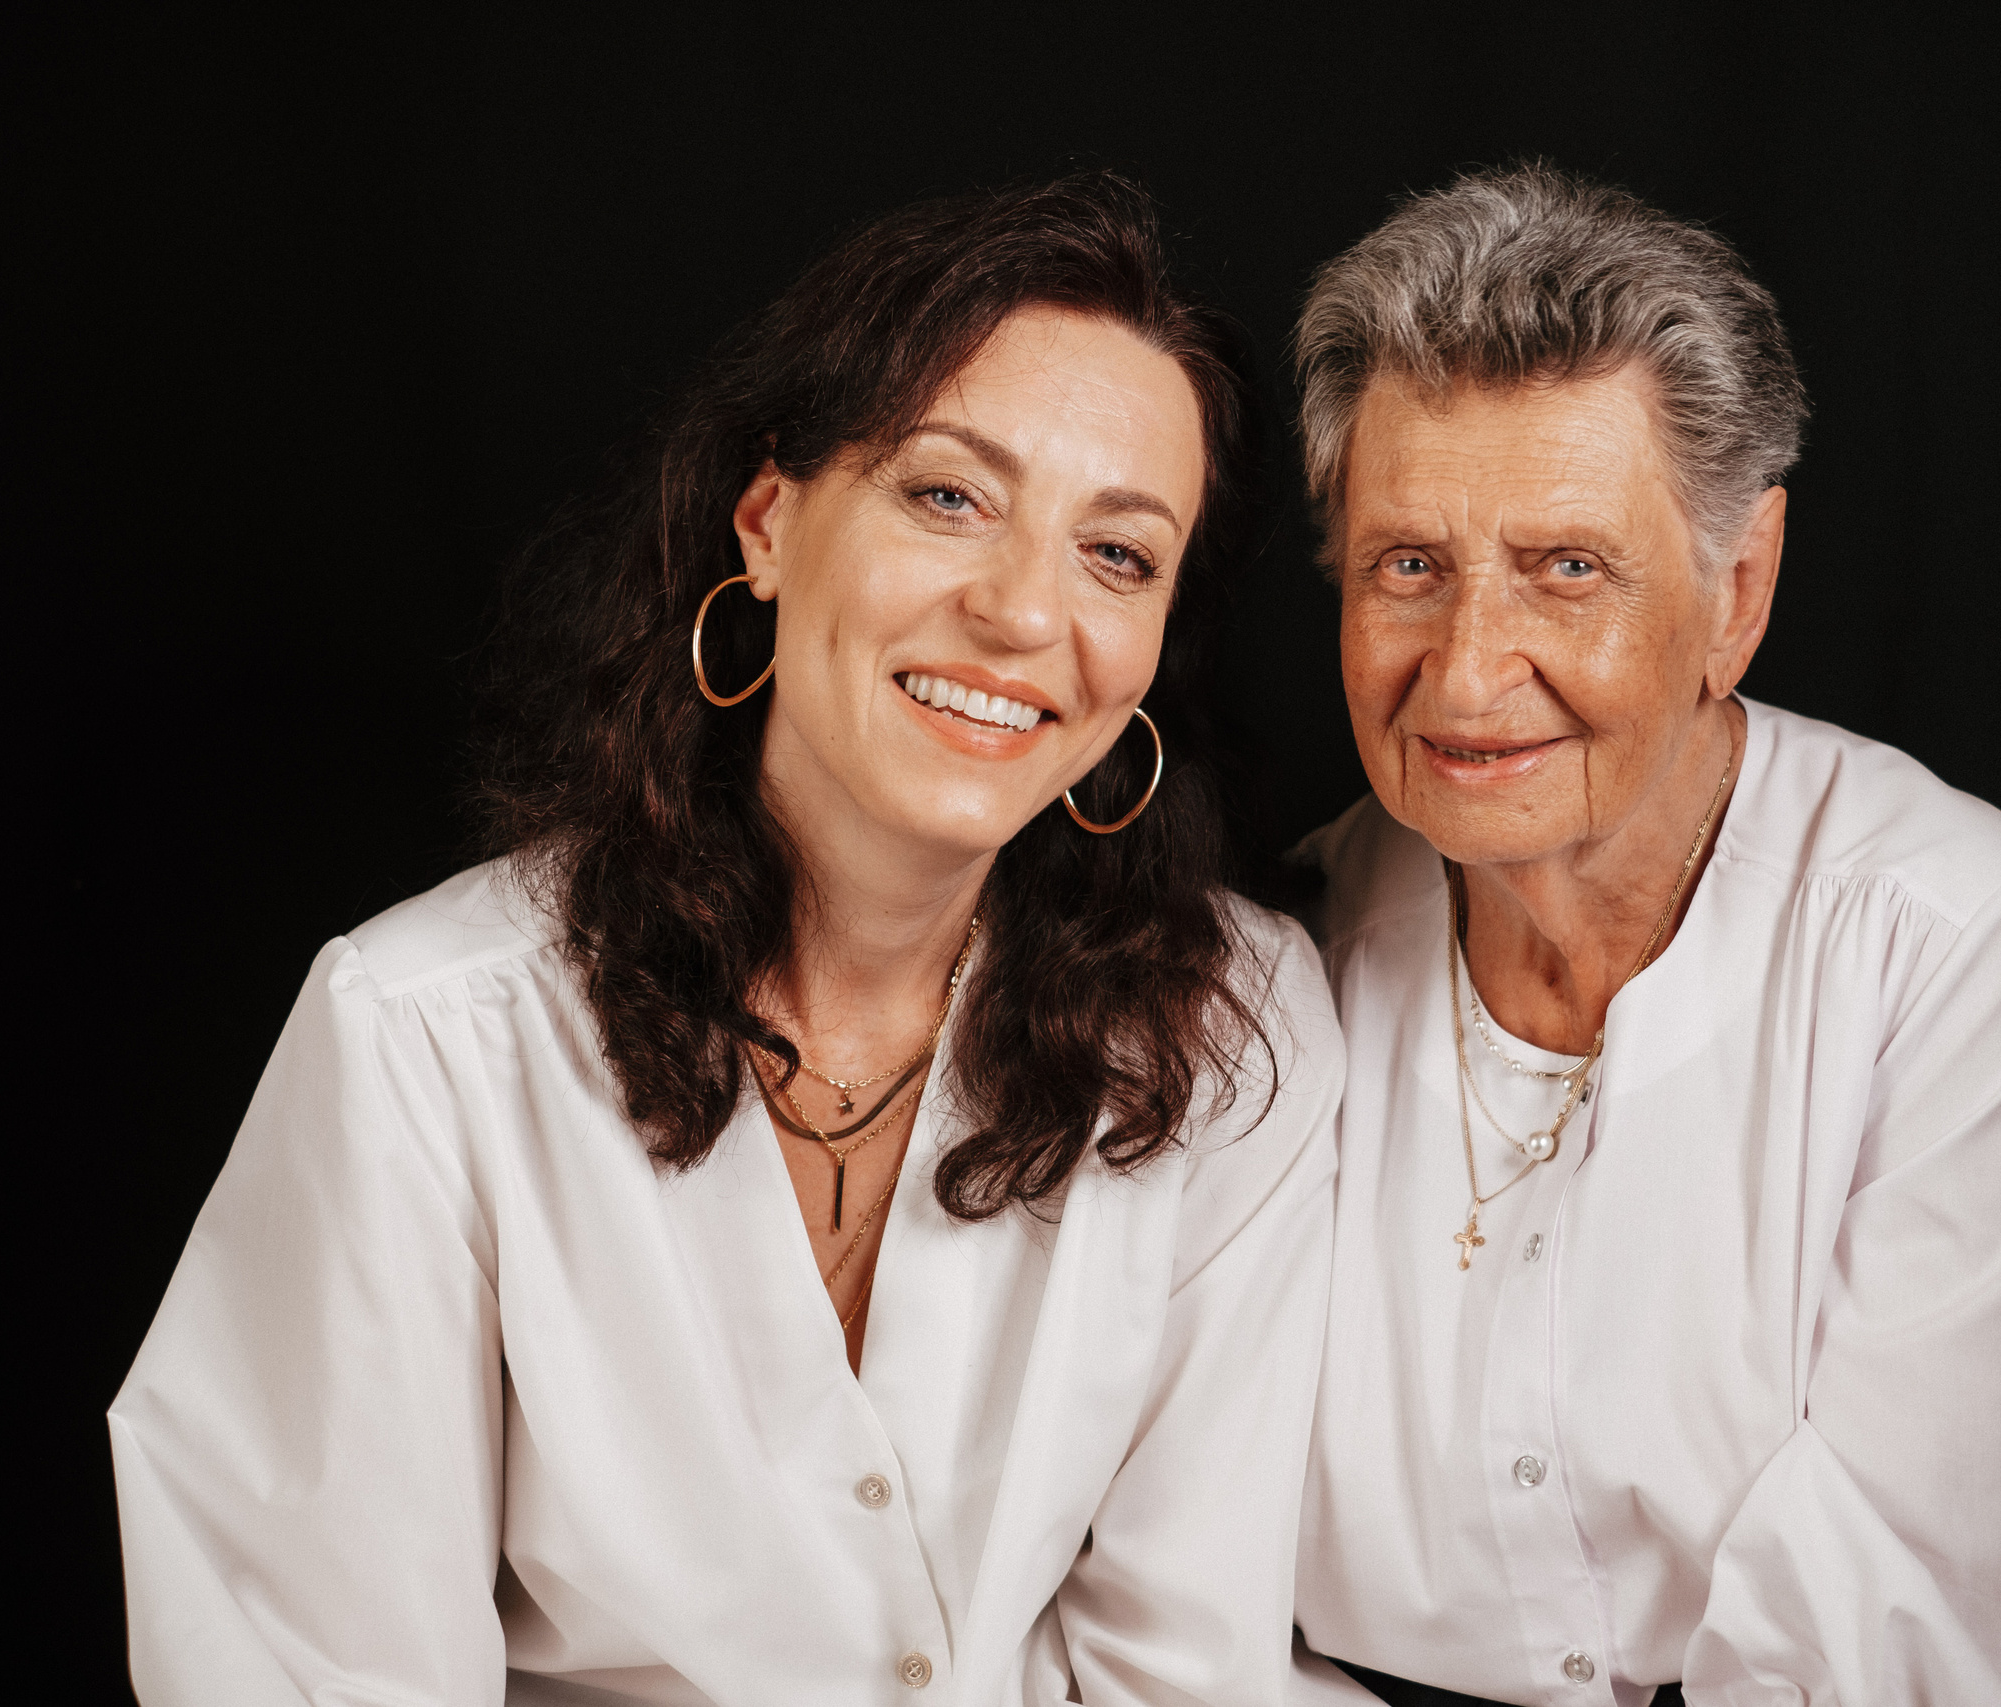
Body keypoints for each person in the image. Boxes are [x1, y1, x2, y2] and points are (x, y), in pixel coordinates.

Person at [110, 174, 1344, 1705]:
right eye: (948, 495)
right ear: (770, 522)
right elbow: (309, 1669)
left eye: (1119, 556)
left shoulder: (1235, 1035)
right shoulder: (423, 1039)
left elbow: (1185, 1675)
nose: (1028, 615)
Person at [1284, 164, 2001, 1706]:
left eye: (1565, 570)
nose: (1463, 675)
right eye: (1409, 569)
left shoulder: (1938, 930)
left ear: (1737, 593)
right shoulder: (1270, 958)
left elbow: (1922, 1627)